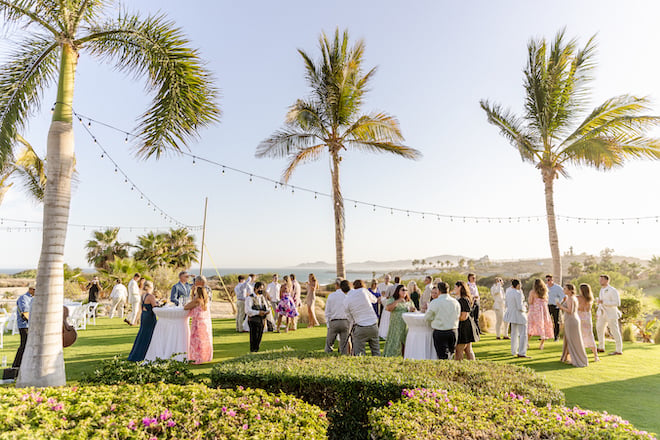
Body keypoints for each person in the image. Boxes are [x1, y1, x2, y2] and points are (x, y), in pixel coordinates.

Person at [424, 282, 461, 359]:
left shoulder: (435, 302)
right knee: (450, 355)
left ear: (438, 290)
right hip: (453, 331)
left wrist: (434, 319)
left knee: (442, 357)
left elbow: (427, 317)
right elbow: (458, 315)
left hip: (440, 332)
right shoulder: (455, 302)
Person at [344, 279, 380, 356]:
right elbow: (374, 300)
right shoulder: (364, 291)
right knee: (376, 351)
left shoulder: (346, 300)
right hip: (373, 325)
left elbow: (350, 318)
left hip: (360, 327)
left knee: (359, 354)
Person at [557, 284, 588, 367]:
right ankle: (565, 357)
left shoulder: (571, 298)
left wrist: (560, 306)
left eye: (565, 288)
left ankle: (577, 359)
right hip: (571, 320)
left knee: (573, 340)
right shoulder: (571, 298)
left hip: (571, 321)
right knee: (568, 339)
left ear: (570, 290)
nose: (563, 289)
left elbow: (570, 311)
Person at [128, 281, 159, 362]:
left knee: (143, 333)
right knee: (149, 334)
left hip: (144, 315)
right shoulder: (151, 296)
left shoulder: (142, 295)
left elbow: (141, 307)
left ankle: (138, 353)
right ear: (150, 287)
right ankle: (145, 353)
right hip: (149, 316)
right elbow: (154, 306)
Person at [383, 284, 416, 357]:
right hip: (396, 325)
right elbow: (388, 308)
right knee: (395, 341)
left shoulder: (409, 301)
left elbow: (414, 309)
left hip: (406, 325)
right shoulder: (393, 299)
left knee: (405, 342)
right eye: (403, 290)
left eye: (406, 290)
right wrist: (398, 301)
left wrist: (412, 310)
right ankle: (393, 356)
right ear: (398, 291)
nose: (405, 291)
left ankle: (405, 356)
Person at [185, 285, 213, 364]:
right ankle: (205, 356)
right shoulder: (206, 301)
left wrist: (192, 293)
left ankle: (197, 358)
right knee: (204, 340)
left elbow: (186, 307)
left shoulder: (197, 300)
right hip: (205, 322)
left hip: (197, 322)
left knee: (196, 341)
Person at [596, 274, 623, 355]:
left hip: (611, 314)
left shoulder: (613, 290)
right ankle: (601, 347)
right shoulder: (601, 290)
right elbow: (601, 303)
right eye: (599, 280)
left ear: (607, 280)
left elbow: (617, 303)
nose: (600, 281)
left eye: (602, 280)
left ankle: (619, 350)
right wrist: (598, 312)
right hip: (602, 313)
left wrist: (604, 302)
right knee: (599, 328)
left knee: (614, 331)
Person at [504, 279, 529, 358]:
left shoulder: (508, 292)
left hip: (512, 315)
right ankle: (522, 352)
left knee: (514, 333)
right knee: (523, 334)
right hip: (519, 315)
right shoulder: (517, 293)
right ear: (517, 285)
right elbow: (520, 307)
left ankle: (513, 351)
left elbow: (507, 304)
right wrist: (525, 307)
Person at [454, 281, 479, 360]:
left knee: (459, 350)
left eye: (455, 287)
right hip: (467, 326)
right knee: (468, 349)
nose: (454, 289)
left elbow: (464, 316)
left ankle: (459, 368)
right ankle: (472, 367)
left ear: (460, 287)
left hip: (464, 327)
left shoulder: (463, 300)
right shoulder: (464, 299)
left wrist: (453, 319)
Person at [325, 278, 350, 354]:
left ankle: (327, 358)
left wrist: (328, 324)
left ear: (336, 285)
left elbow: (327, 312)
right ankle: (343, 359)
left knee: (329, 344)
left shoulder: (331, 296)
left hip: (334, 322)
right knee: (344, 345)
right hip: (345, 322)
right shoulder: (347, 296)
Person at [527, 278, 554, 350]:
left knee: (531, 326)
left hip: (535, 310)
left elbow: (530, 301)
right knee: (543, 326)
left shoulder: (533, 292)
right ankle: (541, 345)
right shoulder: (545, 291)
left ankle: (526, 342)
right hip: (544, 311)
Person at [12, 286, 34, 369]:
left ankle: (25, 365)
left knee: (29, 345)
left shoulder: (33, 298)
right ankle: (16, 365)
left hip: (31, 325)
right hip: (25, 325)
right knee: (24, 345)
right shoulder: (23, 298)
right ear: (31, 289)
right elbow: (25, 312)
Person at [245, 281, 270, 352]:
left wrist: (267, 311)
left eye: (262, 289)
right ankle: (253, 351)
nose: (261, 290)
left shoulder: (262, 298)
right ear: (255, 288)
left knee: (259, 337)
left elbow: (266, 307)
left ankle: (256, 350)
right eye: (259, 289)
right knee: (254, 337)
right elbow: (248, 311)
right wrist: (258, 312)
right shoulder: (249, 298)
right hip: (253, 320)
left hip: (262, 320)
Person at [577, 283, 600, 362]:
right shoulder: (590, 299)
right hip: (587, 319)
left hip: (580, 318)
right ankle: (596, 356)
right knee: (590, 336)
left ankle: (578, 356)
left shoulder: (578, 298)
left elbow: (578, 308)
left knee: (578, 336)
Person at [546, 274, 565, 341]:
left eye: (549, 280)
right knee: (546, 321)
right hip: (547, 306)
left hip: (555, 306)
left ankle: (556, 336)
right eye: (547, 280)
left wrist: (560, 305)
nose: (548, 281)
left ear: (552, 280)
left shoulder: (558, 288)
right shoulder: (545, 287)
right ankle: (546, 335)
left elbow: (564, 297)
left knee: (556, 321)